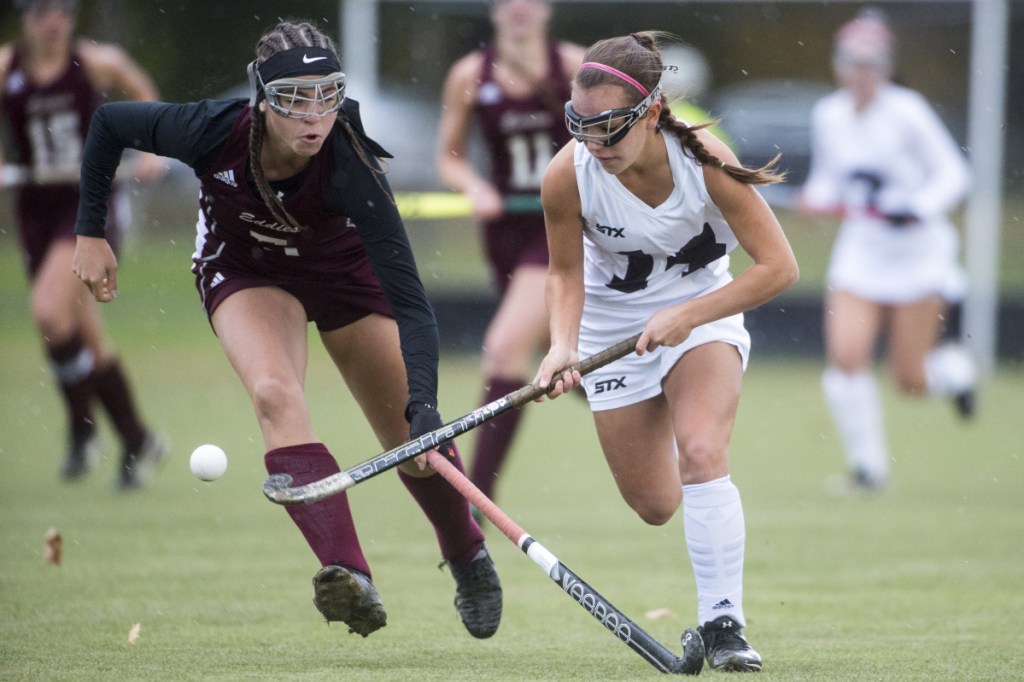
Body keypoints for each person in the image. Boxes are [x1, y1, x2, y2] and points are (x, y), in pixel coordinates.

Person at [71, 20, 502, 639]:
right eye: (294, 98)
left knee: (409, 436)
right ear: (263, 99)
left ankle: (467, 554)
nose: (313, 116)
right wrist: (90, 232)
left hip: (342, 272)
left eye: (325, 96)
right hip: (246, 268)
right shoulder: (212, 130)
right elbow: (111, 123)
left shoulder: (353, 170)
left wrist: (427, 406)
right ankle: (348, 575)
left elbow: (412, 304)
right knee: (275, 394)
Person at [534, 32, 799, 672]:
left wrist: (687, 315)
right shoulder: (567, 175)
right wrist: (561, 346)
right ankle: (698, 502)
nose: (594, 147)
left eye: (609, 130)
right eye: (581, 128)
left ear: (652, 113)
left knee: (703, 452)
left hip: (701, 310)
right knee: (654, 505)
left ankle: (723, 625)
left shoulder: (703, 160)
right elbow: (565, 274)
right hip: (609, 329)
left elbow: (779, 267)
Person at [798, 9, 975, 493]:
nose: (860, 74)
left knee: (909, 380)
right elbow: (830, 176)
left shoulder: (908, 110)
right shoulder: (828, 114)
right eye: (851, 63)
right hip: (863, 253)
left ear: (886, 67)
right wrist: (815, 198)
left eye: (870, 64)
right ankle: (868, 469)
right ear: (838, 65)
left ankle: (955, 374)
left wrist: (917, 207)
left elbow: (955, 175)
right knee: (846, 359)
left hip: (919, 254)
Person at [0, 0, 168, 490]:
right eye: (42, 12)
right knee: (82, 336)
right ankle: (138, 440)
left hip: (86, 205)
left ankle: (80, 429)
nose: (54, 23)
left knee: (50, 314)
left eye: (64, 12)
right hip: (35, 209)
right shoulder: (6, 66)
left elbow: (142, 95)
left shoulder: (98, 62)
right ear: (24, 17)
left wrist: (152, 149)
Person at [436, 0, 584, 508]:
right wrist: (474, 186)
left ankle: (475, 503)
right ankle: (656, 426)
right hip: (506, 233)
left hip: (562, 227)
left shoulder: (575, 67)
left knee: (504, 349)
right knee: (570, 361)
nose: (518, 8)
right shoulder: (468, 75)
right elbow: (449, 156)